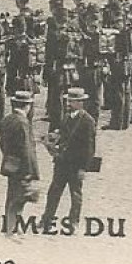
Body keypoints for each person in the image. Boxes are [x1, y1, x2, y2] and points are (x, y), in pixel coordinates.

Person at [40, 87, 97, 231]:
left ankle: (74, 222)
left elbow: (90, 148)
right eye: (68, 100)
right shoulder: (66, 116)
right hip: (61, 162)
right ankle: (46, 219)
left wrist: (84, 168)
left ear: (80, 103)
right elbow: (63, 134)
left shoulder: (87, 121)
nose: (68, 103)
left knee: (75, 194)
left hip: (76, 164)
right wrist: (53, 138)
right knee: (53, 192)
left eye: (72, 101)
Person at [0, 91, 41, 233]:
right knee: (19, 199)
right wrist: (32, 172)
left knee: (11, 195)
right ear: (27, 106)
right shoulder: (23, 123)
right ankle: (12, 228)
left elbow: (2, 143)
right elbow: (27, 149)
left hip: (10, 163)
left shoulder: (8, 119)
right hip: (22, 166)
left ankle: (9, 225)